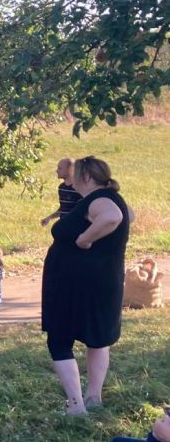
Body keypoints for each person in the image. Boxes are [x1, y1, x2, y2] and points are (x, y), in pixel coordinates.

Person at [42, 156, 132, 416]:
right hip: (103, 280)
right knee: (97, 338)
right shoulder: (113, 197)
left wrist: (85, 239)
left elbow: (113, 217)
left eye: (76, 173)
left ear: (87, 177)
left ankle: (76, 405)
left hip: (76, 285)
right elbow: (127, 215)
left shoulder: (99, 201)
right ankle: (93, 397)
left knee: (59, 339)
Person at [40, 158, 81, 227]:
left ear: (70, 169)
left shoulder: (79, 188)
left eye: (60, 168)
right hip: (64, 226)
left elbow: (81, 210)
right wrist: (50, 217)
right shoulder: (62, 188)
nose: (57, 170)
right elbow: (63, 208)